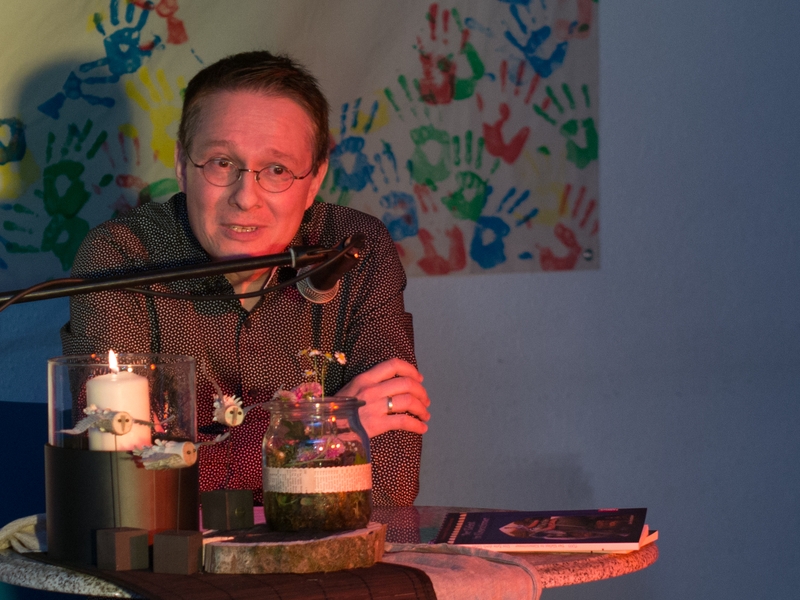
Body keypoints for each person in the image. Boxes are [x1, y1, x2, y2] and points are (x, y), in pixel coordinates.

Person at [61, 51, 430, 506]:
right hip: (174, 553)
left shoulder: (356, 249)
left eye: (277, 170)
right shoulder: (120, 258)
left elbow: (390, 480)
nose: (245, 197)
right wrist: (321, 431)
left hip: (323, 547)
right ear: (182, 164)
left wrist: (203, 456)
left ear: (314, 180)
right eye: (221, 162)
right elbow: (126, 483)